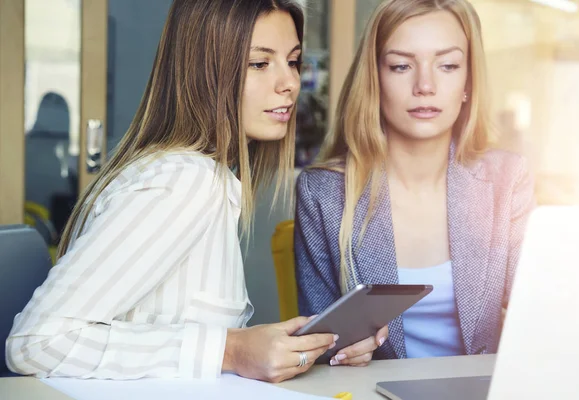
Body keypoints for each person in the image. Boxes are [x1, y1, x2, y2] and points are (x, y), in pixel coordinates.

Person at [7, 0, 337, 383]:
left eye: (293, 61)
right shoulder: (182, 181)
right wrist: (230, 350)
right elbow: (34, 342)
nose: (290, 83)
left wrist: (304, 346)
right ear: (204, 73)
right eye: (259, 63)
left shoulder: (206, 178)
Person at [294, 0, 536, 366]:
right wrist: (339, 352)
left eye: (448, 65)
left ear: (468, 81)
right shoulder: (324, 194)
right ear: (375, 79)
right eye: (401, 65)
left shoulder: (508, 180)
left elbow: (541, 315)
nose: (425, 85)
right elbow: (317, 344)